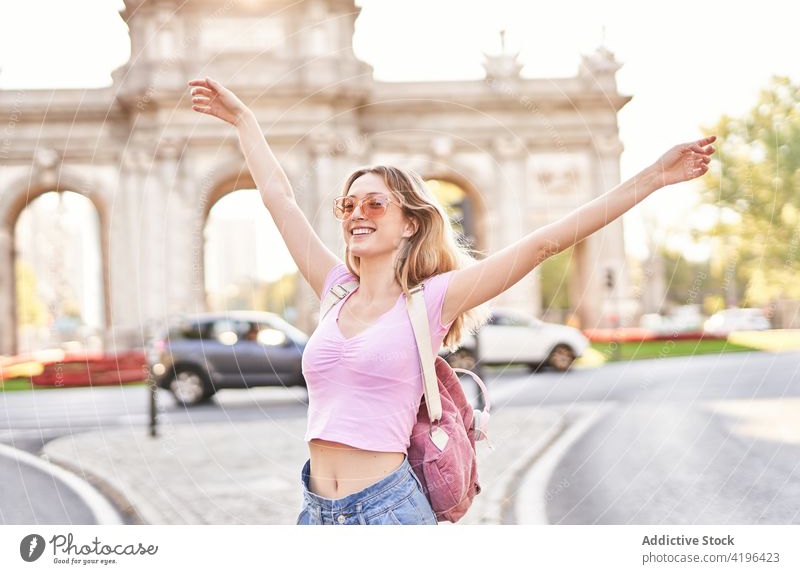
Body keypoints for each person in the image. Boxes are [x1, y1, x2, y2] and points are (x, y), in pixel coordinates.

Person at [188, 76, 715, 525]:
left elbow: (543, 243)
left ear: (410, 222)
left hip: (385, 512)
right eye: (348, 205)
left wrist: (651, 179)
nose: (356, 213)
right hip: (313, 512)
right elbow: (279, 198)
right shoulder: (334, 289)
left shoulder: (432, 299)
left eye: (375, 203)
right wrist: (244, 121)